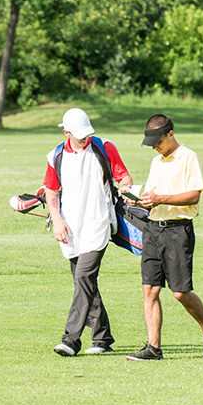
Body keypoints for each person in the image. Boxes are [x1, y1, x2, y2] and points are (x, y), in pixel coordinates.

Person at [124, 114, 203, 361]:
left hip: (178, 231)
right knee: (150, 289)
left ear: (170, 134)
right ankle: (154, 348)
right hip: (153, 229)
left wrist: (159, 199)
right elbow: (152, 196)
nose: (155, 146)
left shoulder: (188, 157)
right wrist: (140, 201)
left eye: (158, 141)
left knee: (180, 292)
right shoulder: (157, 162)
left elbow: (193, 196)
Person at [43, 108, 133, 357]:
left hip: (99, 222)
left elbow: (123, 175)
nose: (84, 139)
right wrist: (57, 220)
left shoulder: (104, 146)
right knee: (85, 281)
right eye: (79, 135)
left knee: (83, 277)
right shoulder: (56, 155)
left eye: (87, 134)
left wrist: (126, 186)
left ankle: (71, 340)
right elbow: (51, 192)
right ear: (66, 132)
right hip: (70, 227)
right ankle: (102, 337)